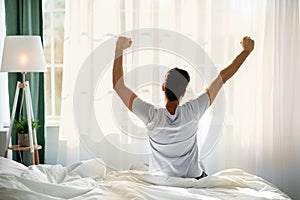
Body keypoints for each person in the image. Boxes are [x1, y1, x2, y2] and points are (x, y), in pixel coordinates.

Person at [112, 36, 254, 179]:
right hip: (193, 178)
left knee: (137, 167)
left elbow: (119, 86)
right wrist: (246, 51)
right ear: (184, 93)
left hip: (161, 180)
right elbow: (221, 79)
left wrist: (119, 48)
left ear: (163, 87)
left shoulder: (151, 115)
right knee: (200, 164)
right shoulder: (193, 110)